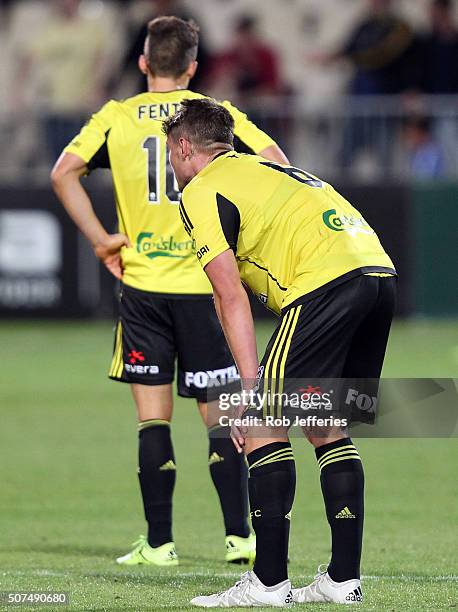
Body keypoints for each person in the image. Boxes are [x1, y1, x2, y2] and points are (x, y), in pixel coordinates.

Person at [51, 17, 288, 568]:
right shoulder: (211, 115)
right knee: (222, 418)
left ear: (142, 64)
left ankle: (159, 545)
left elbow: (64, 172)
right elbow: (275, 160)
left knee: (153, 420)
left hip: (144, 287)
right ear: (193, 67)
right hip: (206, 286)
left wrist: (101, 240)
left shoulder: (117, 117)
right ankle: (240, 537)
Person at [163, 98, 396, 606]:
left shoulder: (202, 189)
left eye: (171, 154)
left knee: (263, 422)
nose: (172, 167)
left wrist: (251, 390)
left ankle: (268, 583)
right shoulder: (267, 168)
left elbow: (229, 295)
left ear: (185, 148)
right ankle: (342, 580)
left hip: (326, 284)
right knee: (326, 422)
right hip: (377, 274)